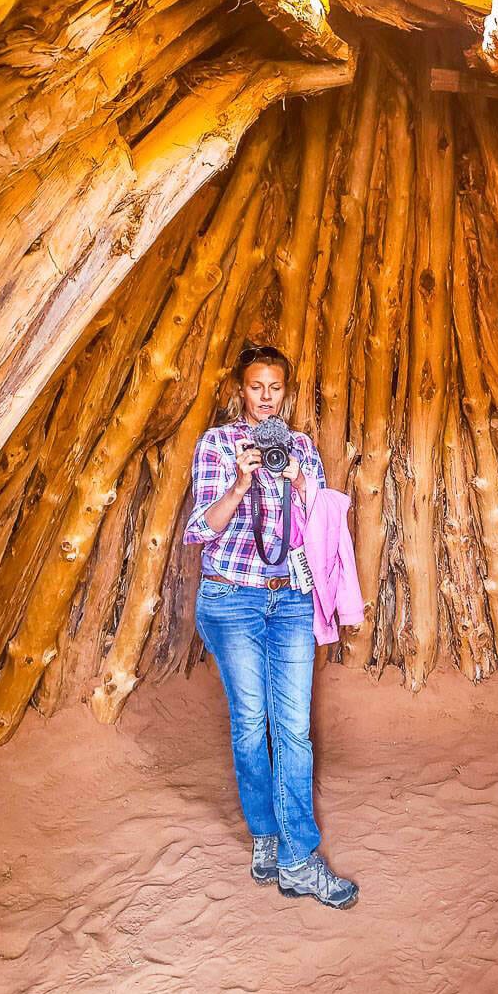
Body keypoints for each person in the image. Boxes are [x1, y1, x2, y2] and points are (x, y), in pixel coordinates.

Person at [184, 344, 358, 911]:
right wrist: (240, 484)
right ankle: (264, 834)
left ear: (286, 391)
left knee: (294, 731)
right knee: (250, 722)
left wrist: (306, 491)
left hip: (290, 604)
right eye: (255, 387)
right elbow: (197, 531)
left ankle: (297, 859)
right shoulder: (216, 444)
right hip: (231, 600)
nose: (265, 398)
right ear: (241, 390)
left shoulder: (302, 449)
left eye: (275, 388)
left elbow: (320, 533)